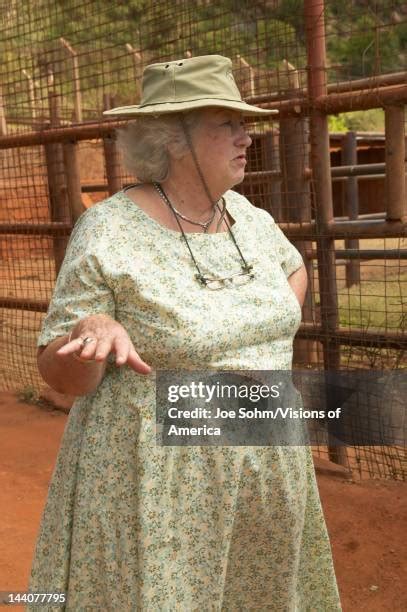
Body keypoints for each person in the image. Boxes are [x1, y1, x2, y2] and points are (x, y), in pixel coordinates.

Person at [27, 55, 341, 610]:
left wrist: (253, 339)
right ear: (172, 139)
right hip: (160, 483)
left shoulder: (249, 217)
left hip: (264, 463)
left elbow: (294, 267)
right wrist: (93, 328)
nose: (248, 137)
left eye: (244, 123)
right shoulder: (109, 230)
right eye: (228, 124)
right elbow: (59, 373)